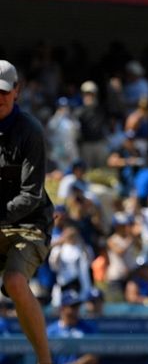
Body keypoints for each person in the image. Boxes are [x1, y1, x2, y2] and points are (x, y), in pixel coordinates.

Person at [0, 60, 53, 364]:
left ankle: (44, 361)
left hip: (29, 224)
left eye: (5, 91)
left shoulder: (30, 131)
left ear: (17, 90)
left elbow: (31, 195)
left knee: (15, 282)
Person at [46, 290, 98, 364]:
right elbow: (43, 356)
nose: (76, 310)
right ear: (62, 308)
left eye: (77, 306)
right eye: (73, 306)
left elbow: (94, 355)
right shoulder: (51, 331)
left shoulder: (88, 328)